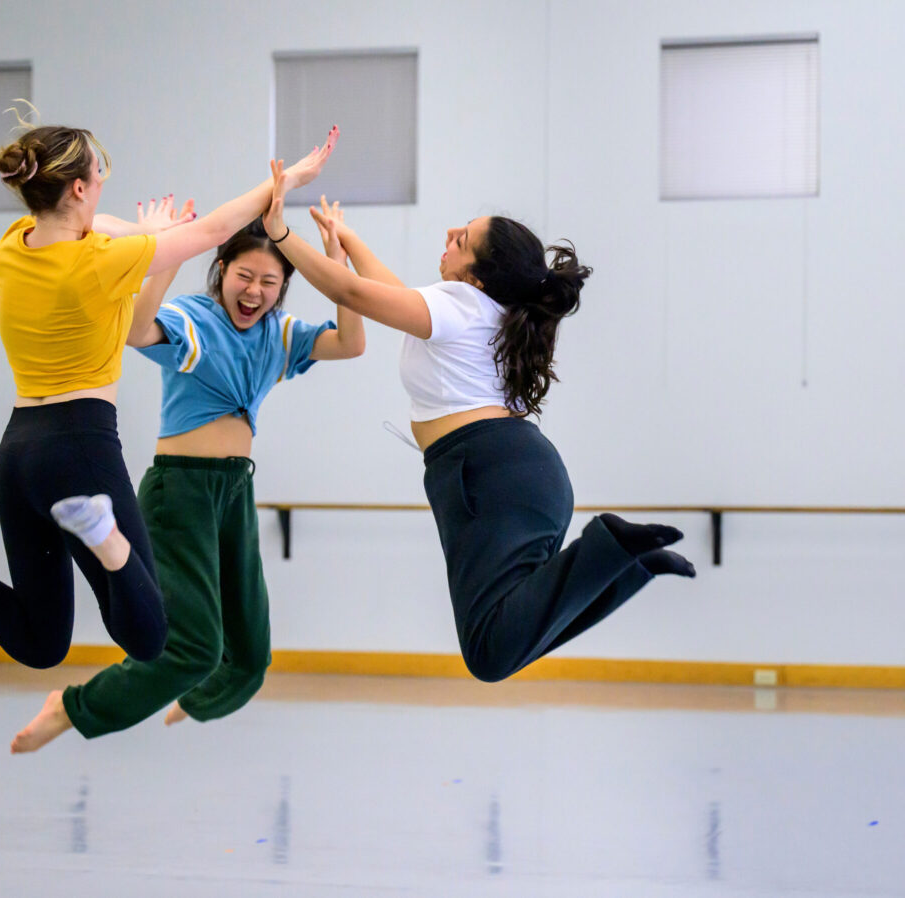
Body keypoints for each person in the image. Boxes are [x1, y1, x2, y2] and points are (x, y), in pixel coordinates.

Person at [0, 111, 339, 669]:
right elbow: (213, 230)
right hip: (79, 444)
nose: (103, 183)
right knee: (148, 636)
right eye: (98, 173)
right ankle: (104, 534)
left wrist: (150, 233)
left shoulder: (13, 246)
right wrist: (285, 181)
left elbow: (100, 223)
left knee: (40, 642)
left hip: (16, 455)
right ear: (78, 187)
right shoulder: (102, 261)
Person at [257, 160, 695, 683]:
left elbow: (354, 295)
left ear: (475, 275)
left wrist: (278, 233)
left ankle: (614, 551)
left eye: (461, 239)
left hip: (485, 475)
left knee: (491, 650)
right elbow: (389, 292)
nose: (448, 234)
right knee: (508, 636)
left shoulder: (459, 305)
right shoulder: (480, 312)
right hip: (515, 475)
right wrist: (347, 240)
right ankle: (628, 566)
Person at [11, 205, 363, 752]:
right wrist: (166, 251)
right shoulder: (194, 318)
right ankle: (73, 707)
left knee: (249, 661)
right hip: (180, 494)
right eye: (244, 276)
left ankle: (188, 699)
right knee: (195, 649)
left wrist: (337, 260)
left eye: (270, 282)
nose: (254, 292)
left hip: (234, 492)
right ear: (221, 269)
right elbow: (133, 330)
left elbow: (351, 342)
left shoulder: (279, 334)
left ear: (283, 288)